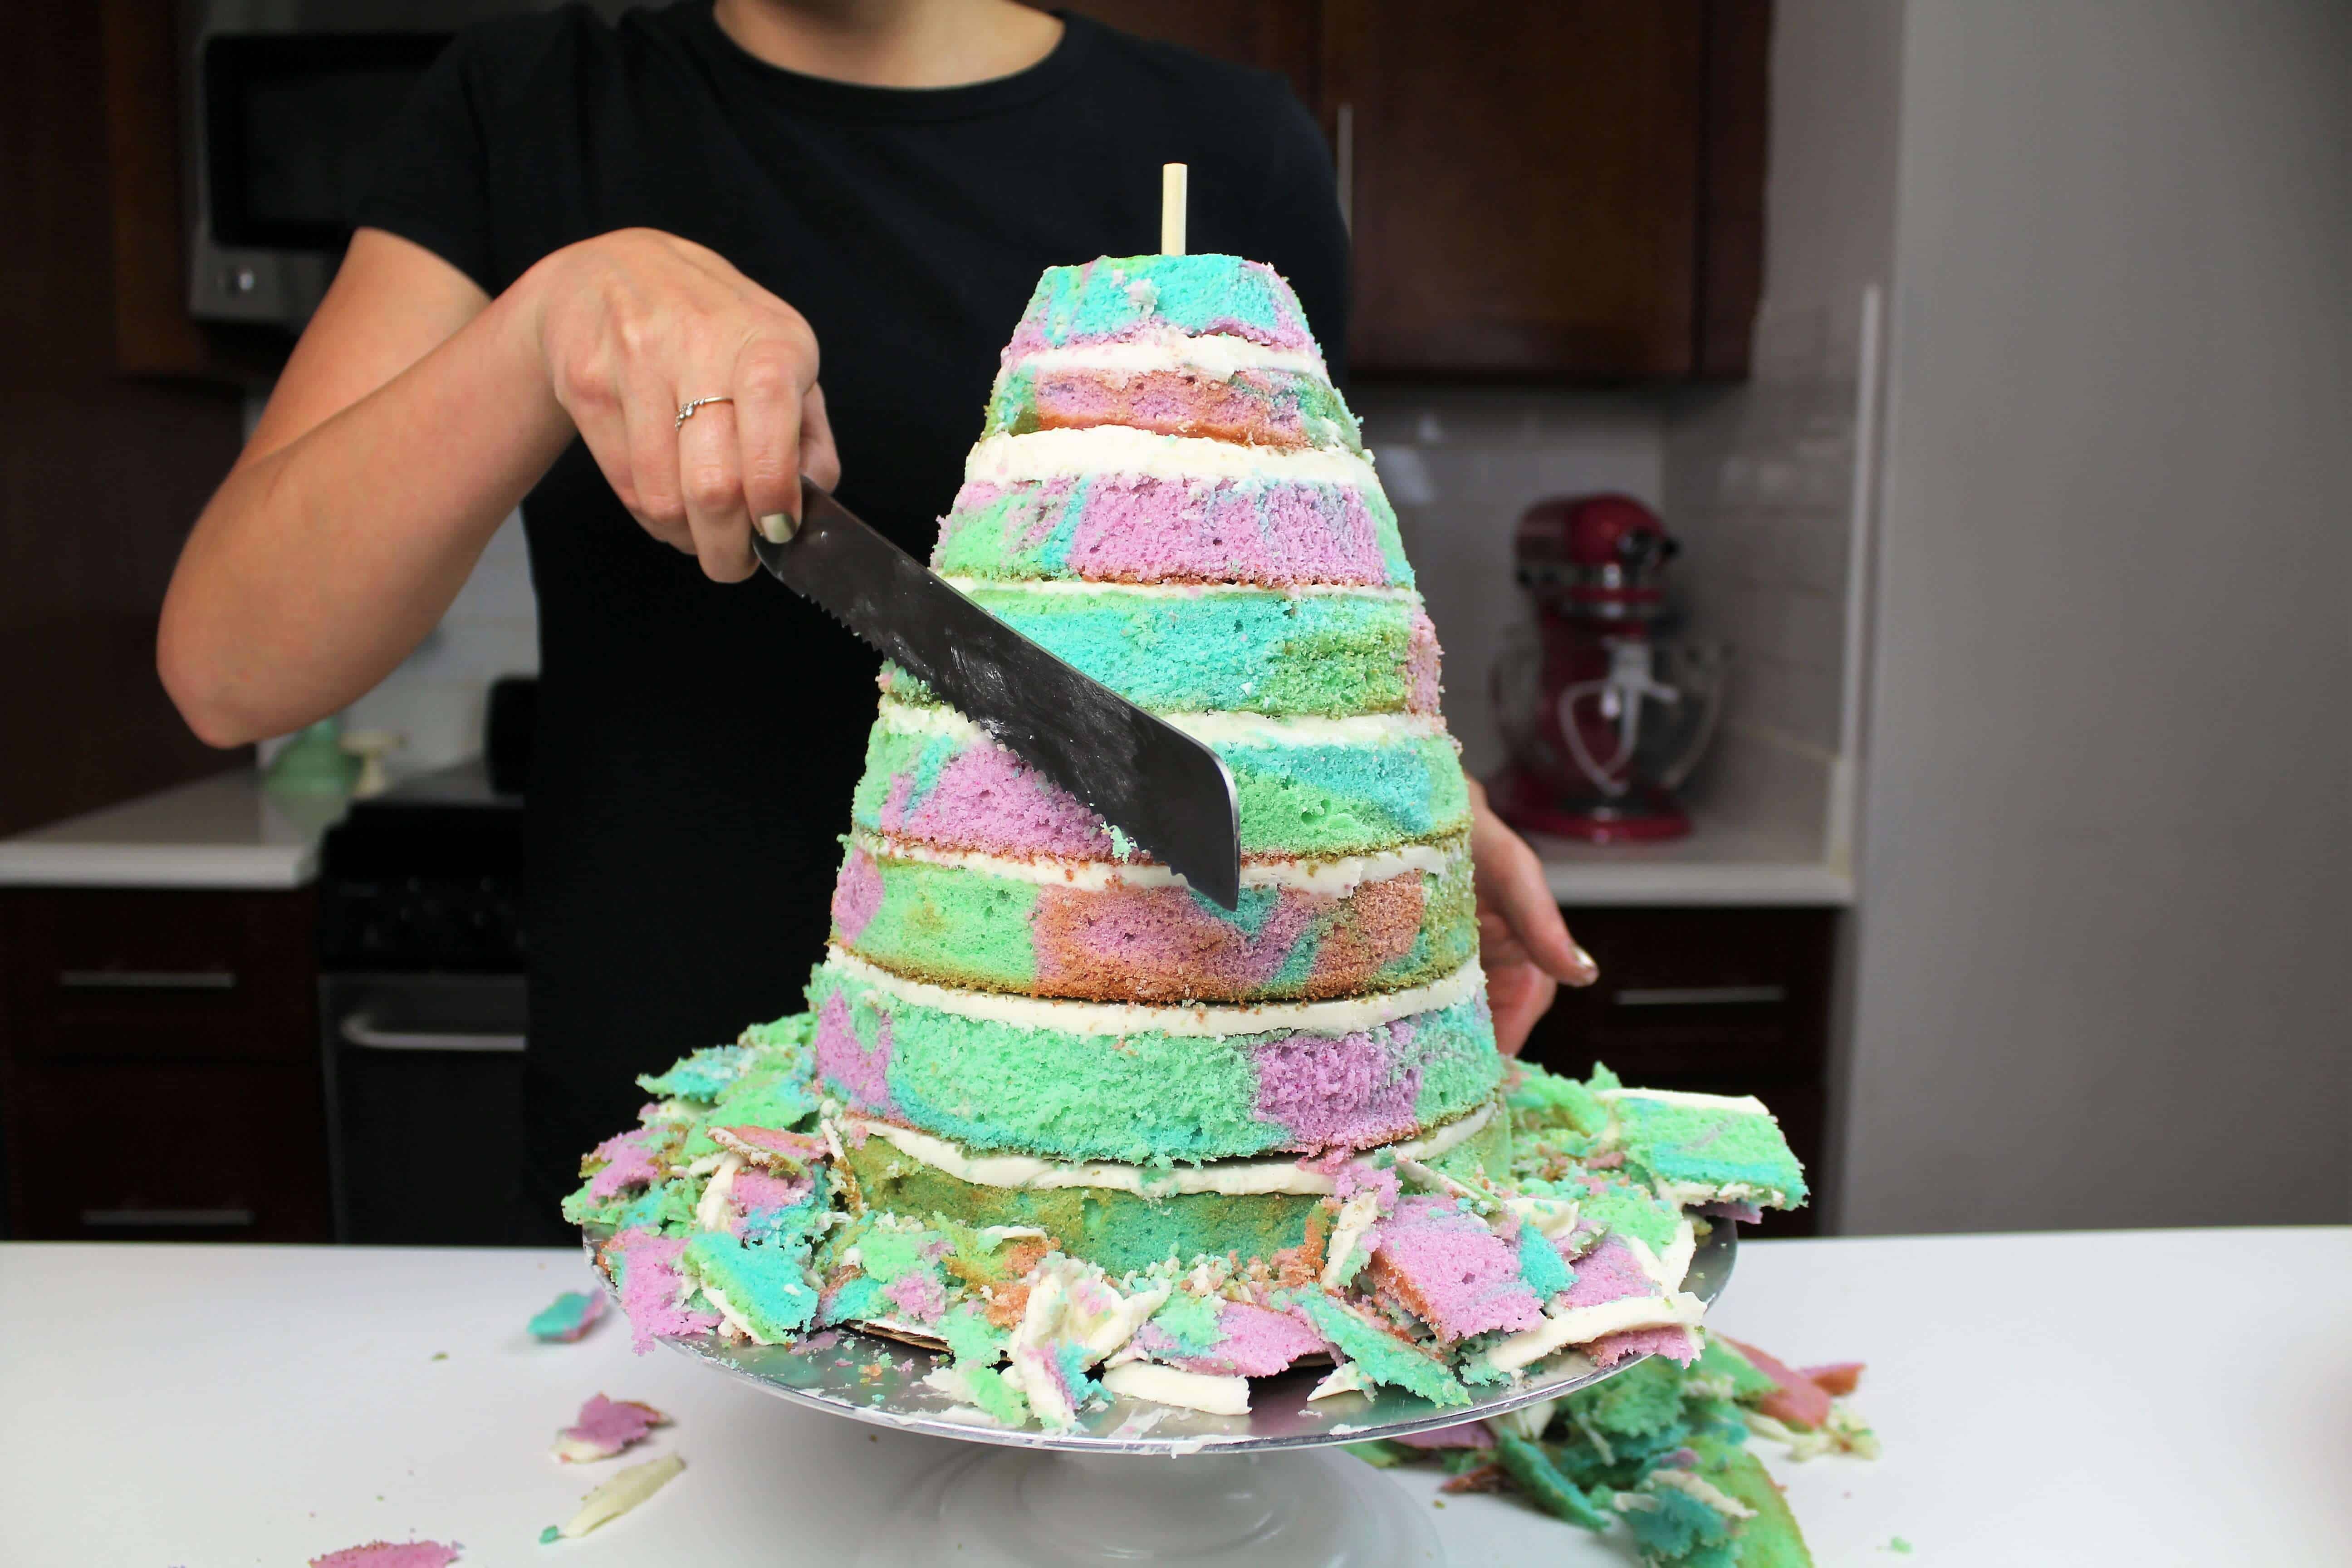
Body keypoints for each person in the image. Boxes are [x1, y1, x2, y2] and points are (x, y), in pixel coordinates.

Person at [157, 0, 1594, 1233]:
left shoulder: (1238, 149)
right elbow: (230, 669)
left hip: (1161, 1175)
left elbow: (1274, 620)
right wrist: (553, 315)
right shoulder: (526, 105)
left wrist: (1383, 812)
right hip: (686, 1153)